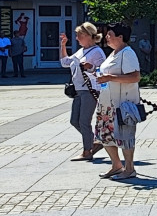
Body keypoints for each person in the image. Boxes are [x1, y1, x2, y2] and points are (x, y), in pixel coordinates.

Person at [94, 23, 141, 180]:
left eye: (110, 34)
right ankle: (116, 165)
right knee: (105, 135)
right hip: (107, 103)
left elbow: (135, 77)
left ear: (120, 37)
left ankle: (129, 168)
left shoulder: (127, 53)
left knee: (125, 135)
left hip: (122, 104)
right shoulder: (113, 53)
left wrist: (109, 78)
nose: (107, 37)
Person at [59, 23, 106, 161]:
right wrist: (63, 45)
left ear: (89, 36)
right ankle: (93, 142)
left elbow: (102, 71)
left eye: (80, 35)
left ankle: (87, 151)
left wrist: (90, 68)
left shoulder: (97, 52)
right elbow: (65, 62)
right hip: (79, 90)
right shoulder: (81, 51)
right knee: (75, 120)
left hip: (90, 90)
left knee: (84, 121)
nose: (77, 38)